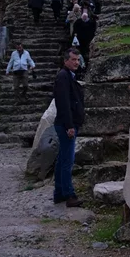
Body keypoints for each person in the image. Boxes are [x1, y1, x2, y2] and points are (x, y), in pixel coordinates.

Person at [53, 47, 85, 207]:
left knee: (62, 160)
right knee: (67, 161)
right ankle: (68, 194)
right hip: (66, 125)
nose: (76, 63)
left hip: (66, 123)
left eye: (78, 60)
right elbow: (63, 103)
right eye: (73, 59)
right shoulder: (63, 77)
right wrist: (69, 125)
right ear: (66, 60)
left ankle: (59, 193)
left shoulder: (67, 76)